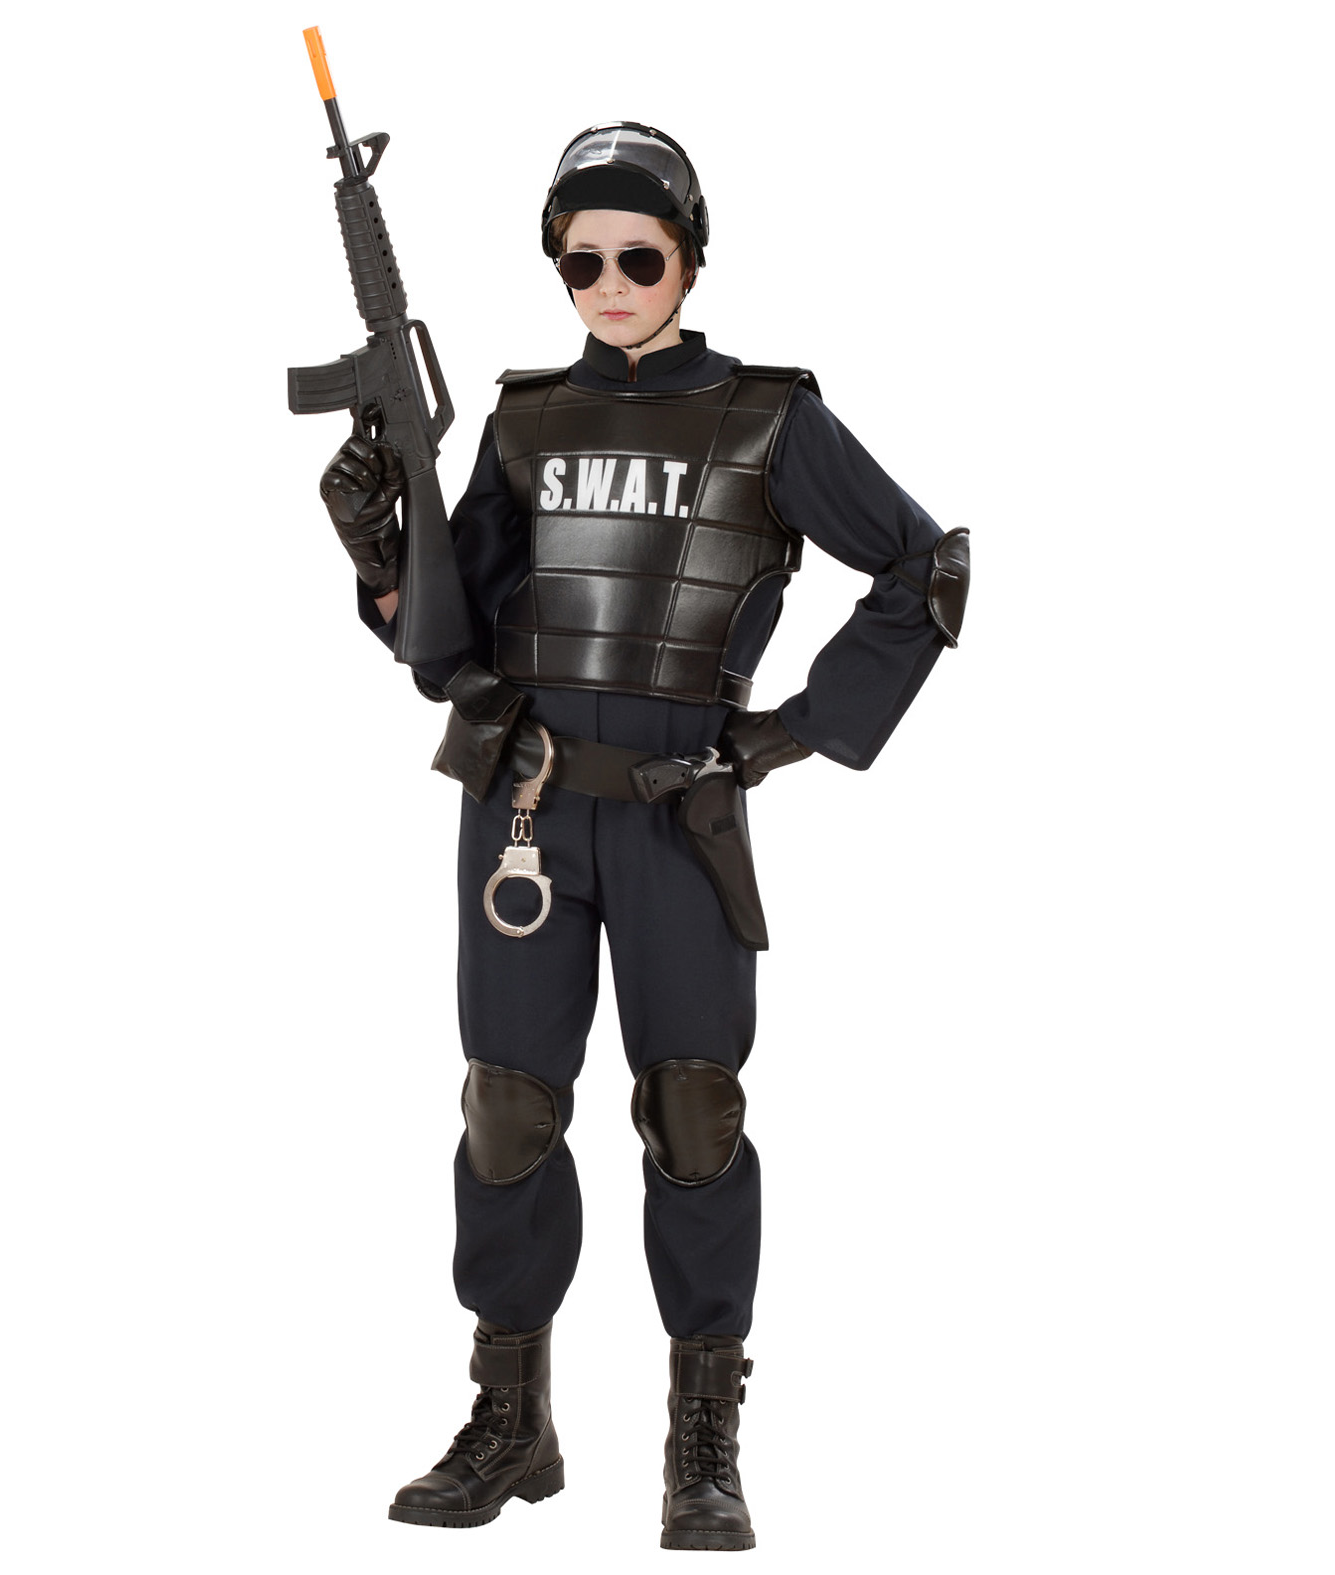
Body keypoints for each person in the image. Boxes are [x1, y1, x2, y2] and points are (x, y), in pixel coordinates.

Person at [316, 122, 969, 1552]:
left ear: (689, 258)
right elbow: (446, 648)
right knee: (506, 1112)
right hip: (524, 813)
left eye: (637, 257)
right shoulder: (523, 421)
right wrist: (381, 557)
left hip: (681, 815)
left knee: (692, 1113)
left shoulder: (769, 419)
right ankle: (512, 1422)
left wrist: (785, 736)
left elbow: (926, 567)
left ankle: (702, 1441)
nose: (607, 284)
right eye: (580, 262)